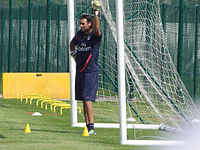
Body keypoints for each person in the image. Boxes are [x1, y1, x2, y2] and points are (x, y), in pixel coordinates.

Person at [70, 0, 101, 134]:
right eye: (80, 24)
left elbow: (98, 29)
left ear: (90, 24)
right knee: (83, 99)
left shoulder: (94, 35)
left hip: (90, 71)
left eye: (83, 24)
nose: (81, 26)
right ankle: (87, 126)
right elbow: (72, 43)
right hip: (80, 70)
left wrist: (95, 14)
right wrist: (74, 55)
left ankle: (92, 128)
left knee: (88, 99)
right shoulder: (80, 34)